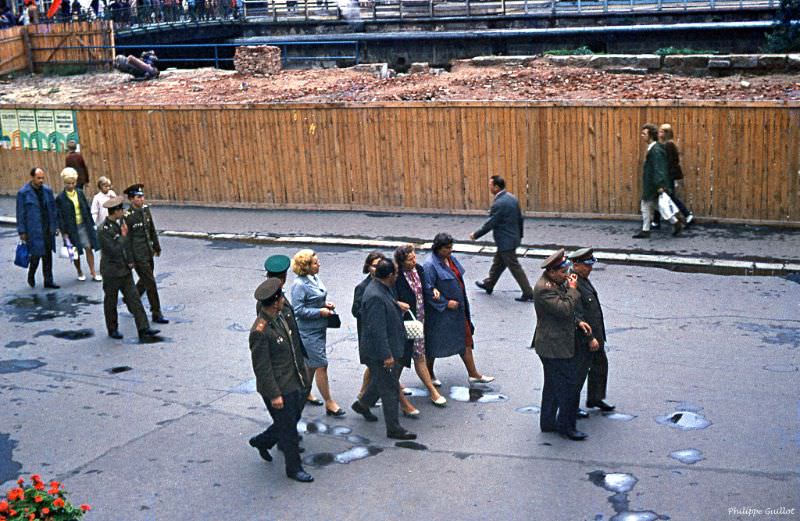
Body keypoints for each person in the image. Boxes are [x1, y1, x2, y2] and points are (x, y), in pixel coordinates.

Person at [247, 278, 313, 483]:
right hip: (279, 386)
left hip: (294, 379)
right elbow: (262, 368)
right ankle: (294, 468)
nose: (284, 299)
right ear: (275, 302)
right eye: (281, 297)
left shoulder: (282, 314)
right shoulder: (260, 331)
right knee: (289, 429)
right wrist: (274, 394)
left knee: (289, 421)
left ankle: (262, 441)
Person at [351, 259, 417, 441]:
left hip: (388, 346)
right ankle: (394, 428)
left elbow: (386, 307)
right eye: (395, 274)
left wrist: (396, 305)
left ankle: (363, 404)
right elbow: (376, 329)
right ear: (389, 276)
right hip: (379, 352)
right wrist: (386, 355)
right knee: (390, 389)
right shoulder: (374, 296)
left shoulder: (380, 288)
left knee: (383, 379)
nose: (397, 276)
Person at [532, 248, 592, 441]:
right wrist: (574, 290)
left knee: (552, 385)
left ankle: (548, 421)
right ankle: (566, 426)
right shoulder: (545, 288)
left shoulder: (557, 281)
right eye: (562, 271)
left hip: (555, 343)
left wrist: (578, 322)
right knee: (569, 387)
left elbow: (566, 310)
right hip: (554, 346)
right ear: (551, 271)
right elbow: (565, 308)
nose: (566, 275)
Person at [423, 232, 493, 387]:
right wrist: (445, 303)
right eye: (447, 248)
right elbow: (428, 290)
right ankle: (429, 374)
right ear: (438, 248)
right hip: (441, 314)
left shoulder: (450, 259)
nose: (450, 250)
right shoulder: (430, 265)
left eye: (451, 247)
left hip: (459, 311)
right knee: (433, 344)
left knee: (466, 340)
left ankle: (473, 374)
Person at [290, 249, 344, 417]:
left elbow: (316, 297)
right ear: (306, 267)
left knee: (310, 365)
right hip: (308, 332)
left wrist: (324, 304)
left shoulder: (314, 278)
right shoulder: (299, 285)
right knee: (321, 364)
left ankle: (304, 392)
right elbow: (298, 310)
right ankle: (329, 402)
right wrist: (319, 312)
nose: (318, 264)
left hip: (319, 328)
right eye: (315, 262)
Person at [97, 196, 160, 341]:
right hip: (112, 272)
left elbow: (128, 246)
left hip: (124, 270)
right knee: (111, 302)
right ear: (115, 212)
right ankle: (112, 328)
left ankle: (143, 328)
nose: (123, 212)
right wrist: (123, 237)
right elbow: (113, 249)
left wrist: (131, 261)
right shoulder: (103, 230)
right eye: (121, 209)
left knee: (135, 299)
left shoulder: (121, 225)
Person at [394, 244, 447, 408]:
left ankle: (431, 390)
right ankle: (369, 393)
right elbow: (388, 295)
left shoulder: (419, 269)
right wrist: (397, 303)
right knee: (400, 359)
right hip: (404, 323)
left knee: (418, 356)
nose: (414, 261)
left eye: (414, 257)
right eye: (410, 259)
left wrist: (433, 290)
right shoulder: (396, 276)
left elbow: (425, 286)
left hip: (419, 320)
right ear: (401, 262)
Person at [260, 254, 312, 417]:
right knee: (291, 409)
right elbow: (273, 334)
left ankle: (286, 430)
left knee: (303, 391)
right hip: (285, 361)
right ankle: (276, 435)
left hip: (294, 354)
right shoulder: (269, 298)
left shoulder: (277, 294)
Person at [471, 175, 534, 302]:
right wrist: (519, 235)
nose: (489, 188)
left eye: (490, 185)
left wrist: (476, 235)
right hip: (512, 238)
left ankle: (528, 292)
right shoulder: (512, 198)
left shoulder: (499, 203)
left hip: (506, 241)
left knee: (514, 267)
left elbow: (491, 223)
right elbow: (520, 219)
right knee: (498, 262)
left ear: (496, 187)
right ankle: (489, 284)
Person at [568, 248, 614, 416]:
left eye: (591, 264)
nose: (590, 268)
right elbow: (576, 313)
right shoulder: (572, 282)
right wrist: (590, 338)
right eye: (587, 265)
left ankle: (595, 397)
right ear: (576, 265)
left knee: (600, 366)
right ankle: (571, 406)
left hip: (596, 334)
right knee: (578, 372)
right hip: (584, 337)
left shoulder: (583, 279)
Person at [123, 183, 169, 324]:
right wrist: (130, 259)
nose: (141, 199)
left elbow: (151, 229)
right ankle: (156, 312)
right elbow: (127, 240)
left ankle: (130, 298)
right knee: (151, 283)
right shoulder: (127, 216)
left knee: (145, 280)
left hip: (148, 251)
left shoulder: (145, 210)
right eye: (138, 197)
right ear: (131, 199)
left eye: (142, 196)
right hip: (138, 255)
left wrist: (156, 246)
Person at [633, 124, 682, 239]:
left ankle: (645, 230)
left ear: (650, 136)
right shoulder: (655, 148)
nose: (642, 136)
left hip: (653, 184)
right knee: (657, 205)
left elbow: (659, 168)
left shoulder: (655, 150)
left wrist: (660, 185)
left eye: (644, 134)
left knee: (645, 205)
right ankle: (675, 222)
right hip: (654, 183)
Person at [351, 251, 386, 402]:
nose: (378, 268)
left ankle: (364, 395)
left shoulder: (385, 282)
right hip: (369, 332)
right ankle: (363, 395)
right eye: (375, 265)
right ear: (368, 267)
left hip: (383, 330)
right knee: (375, 365)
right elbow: (356, 310)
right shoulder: (363, 287)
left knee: (378, 366)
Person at [17, 167, 60, 289]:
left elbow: (53, 209)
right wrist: (22, 230)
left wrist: (55, 226)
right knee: (35, 255)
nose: (41, 180)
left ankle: (48, 280)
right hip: (33, 229)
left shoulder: (47, 191)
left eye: (42, 178)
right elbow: (20, 213)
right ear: (32, 178)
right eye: (38, 178)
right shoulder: (23, 193)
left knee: (47, 256)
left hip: (46, 228)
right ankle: (31, 274)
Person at [55, 168, 101, 282]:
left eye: (73, 183)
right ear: (64, 183)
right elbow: (59, 216)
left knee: (88, 247)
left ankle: (93, 272)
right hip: (71, 228)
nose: (71, 185)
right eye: (68, 183)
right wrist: (63, 232)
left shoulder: (80, 193)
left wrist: (92, 224)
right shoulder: (60, 198)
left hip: (83, 225)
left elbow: (86, 208)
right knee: (75, 250)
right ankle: (79, 271)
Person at [659, 124, 694, 226]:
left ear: (666, 133)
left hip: (668, 175)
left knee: (670, 196)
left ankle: (687, 215)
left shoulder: (668, 145)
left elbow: (669, 162)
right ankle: (657, 221)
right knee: (666, 196)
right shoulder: (668, 144)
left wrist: (664, 176)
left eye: (661, 132)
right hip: (669, 175)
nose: (659, 133)